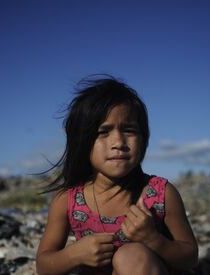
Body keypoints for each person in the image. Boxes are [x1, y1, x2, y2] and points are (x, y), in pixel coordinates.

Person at [36, 75, 198, 275]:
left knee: (130, 256)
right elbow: (43, 265)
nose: (118, 142)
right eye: (103, 132)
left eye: (129, 130)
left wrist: (154, 240)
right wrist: (74, 255)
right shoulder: (67, 201)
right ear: (82, 141)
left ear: (144, 139)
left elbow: (190, 257)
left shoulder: (161, 194)